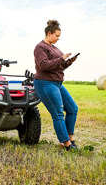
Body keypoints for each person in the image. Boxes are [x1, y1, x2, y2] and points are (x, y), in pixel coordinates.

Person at [33, 20, 79, 151]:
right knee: (58, 113)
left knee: (72, 108)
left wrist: (67, 62)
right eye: (57, 35)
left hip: (57, 83)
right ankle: (66, 145)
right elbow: (43, 65)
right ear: (49, 33)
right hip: (45, 83)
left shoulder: (54, 48)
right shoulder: (40, 47)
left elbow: (58, 65)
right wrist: (61, 59)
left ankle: (70, 138)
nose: (59, 38)